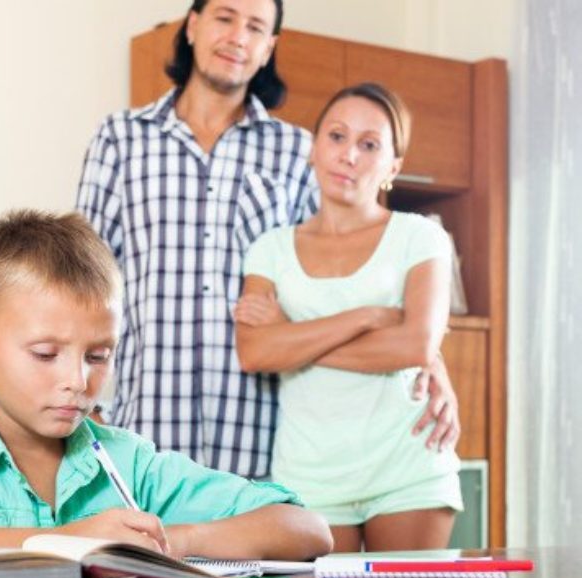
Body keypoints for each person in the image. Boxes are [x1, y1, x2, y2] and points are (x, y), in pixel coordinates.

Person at [76, 0, 459, 480]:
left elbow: (336, 279)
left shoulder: (298, 152)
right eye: (225, 17)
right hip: (145, 428)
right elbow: (83, 284)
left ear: (268, 48)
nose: (238, 36)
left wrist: (432, 362)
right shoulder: (120, 139)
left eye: (256, 27)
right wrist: (81, 397)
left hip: (261, 435)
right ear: (192, 26)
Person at [0, 209, 333, 559]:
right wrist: (59, 541)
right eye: (45, 354)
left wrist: (173, 540)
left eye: (99, 355)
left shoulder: (129, 464)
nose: (78, 381)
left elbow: (306, 529)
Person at [234, 83, 463, 552]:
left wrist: (291, 340)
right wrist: (368, 316)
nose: (349, 155)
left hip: (408, 466)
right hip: (309, 474)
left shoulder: (421, 238)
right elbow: (255, 352)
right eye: (336, 137)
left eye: (369, 144)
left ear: (392, 167)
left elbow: (414, 346)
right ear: (314, 149)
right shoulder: (270, 249)